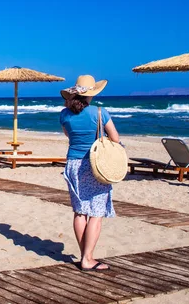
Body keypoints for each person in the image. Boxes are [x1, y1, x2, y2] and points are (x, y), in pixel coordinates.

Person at [60, 75, 120, 272]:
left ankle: (84, 255)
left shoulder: (64, 114)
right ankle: (88, 259)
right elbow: (115, 138)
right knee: (96, 212)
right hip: (95, 164)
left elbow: (70, 136)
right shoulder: (99, 113)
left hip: (73, 164)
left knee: (80, 211)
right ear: (92, 93)